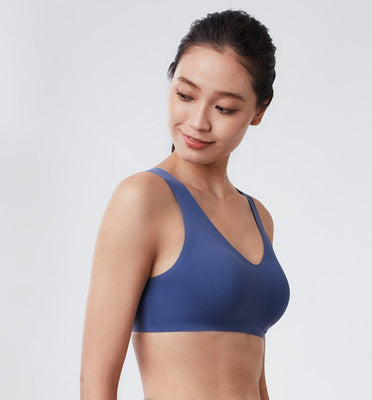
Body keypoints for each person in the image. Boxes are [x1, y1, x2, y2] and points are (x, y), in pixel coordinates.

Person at [80, 9, 290, 400]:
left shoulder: (259, 217)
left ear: (259, 111)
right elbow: (96, 384)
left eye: (223, 108)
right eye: (185, 95)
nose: (197, 122)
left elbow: (254, 374)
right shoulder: (142, 198)